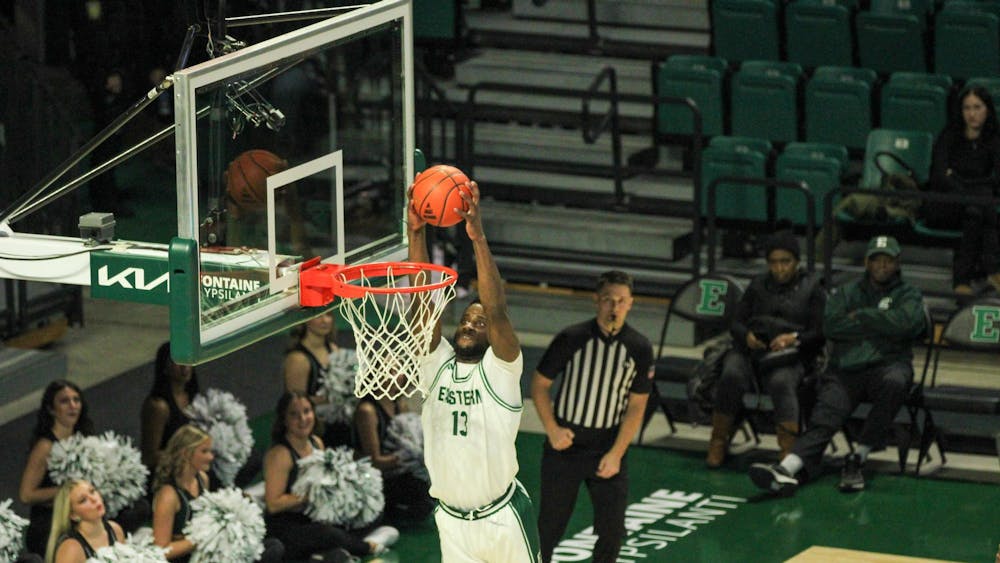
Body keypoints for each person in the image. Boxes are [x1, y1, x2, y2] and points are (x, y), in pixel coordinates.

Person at [409, 180, 541, 562]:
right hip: (452, 522)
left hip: (503, 518)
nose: (469, 325)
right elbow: (422, 303)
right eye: (466, 320)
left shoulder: (501, 370)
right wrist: (415, 232)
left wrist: (477, 237)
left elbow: (495, 309)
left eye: (478, 324)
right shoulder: (438, 367)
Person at [749, 235, 926, 494]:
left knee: (896, 382)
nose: (882, 266)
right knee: (825, 417)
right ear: (867, 262)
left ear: (897, 263)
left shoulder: (908, 294)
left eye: (888, 260)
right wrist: (884, 324)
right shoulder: (847, 291)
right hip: (846, 369)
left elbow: (908, 325)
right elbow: (832, 326)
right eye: (876, 260)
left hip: (889, 366)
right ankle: (787, 468)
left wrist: (864, 316)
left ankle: (858, 457)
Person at [530, 270, 653, 563]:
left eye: (621, 301)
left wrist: (617, 453)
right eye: (609, 300)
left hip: (607, 446)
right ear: (596, 301)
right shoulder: (572, 338)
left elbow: (637, 405)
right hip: (566, 445)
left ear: (631, 303)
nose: (615, 307)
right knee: (548, 527)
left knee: (612, 531)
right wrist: (552, 429)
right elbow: (539, 384)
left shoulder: (639, 347)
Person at [706, 231, 826, 468]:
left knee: (781, 382)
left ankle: (788, 453)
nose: (780, 268)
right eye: (774, 262)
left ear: (797, 262)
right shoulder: (757, 285)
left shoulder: (813, 288)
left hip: (791, 356)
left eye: (786, 262)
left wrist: (793, 339)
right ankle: (719, 440)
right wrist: (746, 336)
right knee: (731, 373)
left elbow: (820, 333)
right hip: (752, 351)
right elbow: (736, 323)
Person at [263, 392, 397, 562]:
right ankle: (367, 547)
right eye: (294, 414)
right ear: (284, 420)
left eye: (307, 411)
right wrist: (310, 495)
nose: (303, 419)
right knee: (326, 532)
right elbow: (273, 504)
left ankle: (329, 553)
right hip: (290, 526)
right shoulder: (280, 454)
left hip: (316, 517)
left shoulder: (316, 442)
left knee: (371, 513)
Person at [151, 425, 283, 563]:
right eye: (204, 451)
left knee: (273, 547)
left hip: (211, 554)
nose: (211, 457)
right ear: (186, 453)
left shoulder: (202, 478)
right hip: (188, 559)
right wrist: (203, 538)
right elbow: (161, 550)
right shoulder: (168, 495)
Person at [925, 85, 1000, 295]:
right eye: (967, 108)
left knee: (975, 212)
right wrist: (974, 187)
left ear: (988, 110)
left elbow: (998, 180)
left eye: (977, 107)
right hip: (943, 205)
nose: (972, 114)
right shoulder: (949, 136)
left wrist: (958, 179)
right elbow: (939, 176)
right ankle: (993, 269)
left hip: (974, 207)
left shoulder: (994, 139)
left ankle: (962, 282)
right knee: (981, 204)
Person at [19, 381, 96, 556]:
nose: (73, 406)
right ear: (51, 409)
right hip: (50, 522)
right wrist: (68, 490)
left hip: (79, 515)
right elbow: (25, 494)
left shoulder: (85, 437)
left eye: (76, 400)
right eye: (64, 401)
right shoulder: (45, 446)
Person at [352, 385, 435, 526]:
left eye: (397, 370)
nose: (398, 375)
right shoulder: (367, 410)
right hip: (375, 479)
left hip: (400, 471)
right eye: (391, 371)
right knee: (420, 494)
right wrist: (408, 456)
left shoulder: (399, 404)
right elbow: (373, 462)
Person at [282, 312, 353, 448]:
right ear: (305, 319)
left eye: (329, 315)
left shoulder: (333, 348)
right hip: (314, 430)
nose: (325, 320)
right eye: (319, 315)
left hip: (340, 426)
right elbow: (295, 404)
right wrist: (332, 397)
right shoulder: (297, 359)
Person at [141, 342, 199, 477]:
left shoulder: (194, 398)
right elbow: (149, 457)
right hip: (167, 476)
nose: (185, 367)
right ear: (164, 368)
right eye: (177, 361)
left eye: (187, 359)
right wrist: (188, 454)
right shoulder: (158, 406)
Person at [45, 479, 125, 563]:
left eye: (92, 491)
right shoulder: (71, 549)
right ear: (73, 515)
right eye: (83, 500)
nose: (94, 499)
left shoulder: (115, 530)